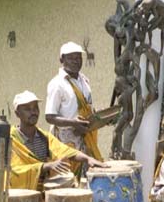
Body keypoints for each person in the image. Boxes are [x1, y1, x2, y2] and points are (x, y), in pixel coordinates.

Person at [11, 91, 105, 191]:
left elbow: (66, 151)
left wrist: (87, 159)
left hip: (43, 193)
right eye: (27, 109)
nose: (33, 112)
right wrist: (45, 166)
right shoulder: (10, 140)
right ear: (17, 114)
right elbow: (13, 172)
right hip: (20, 196)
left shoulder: (44, 137)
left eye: (35, 108)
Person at [46, 41, 103, 175]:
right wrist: (73, 122)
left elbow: (86, 107)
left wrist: (98, 116)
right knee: (67, 178)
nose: (76, 61)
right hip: (66, 140)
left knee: (86, 175)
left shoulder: (84, 81)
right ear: (62, 59)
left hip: (85, 136)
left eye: (78, 58)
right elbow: (49, 116)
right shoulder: (57, 84)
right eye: (71, 58)